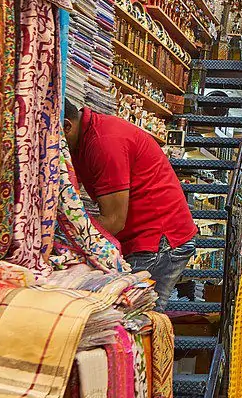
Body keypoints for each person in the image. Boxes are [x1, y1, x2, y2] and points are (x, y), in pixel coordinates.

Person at [64, 102, 197, 305]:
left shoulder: (104, 143)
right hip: (147, 237)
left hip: (158, 240)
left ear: (66, 126)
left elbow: (114, 221)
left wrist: (65, 235)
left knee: (131, 317)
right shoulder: (85, 140)